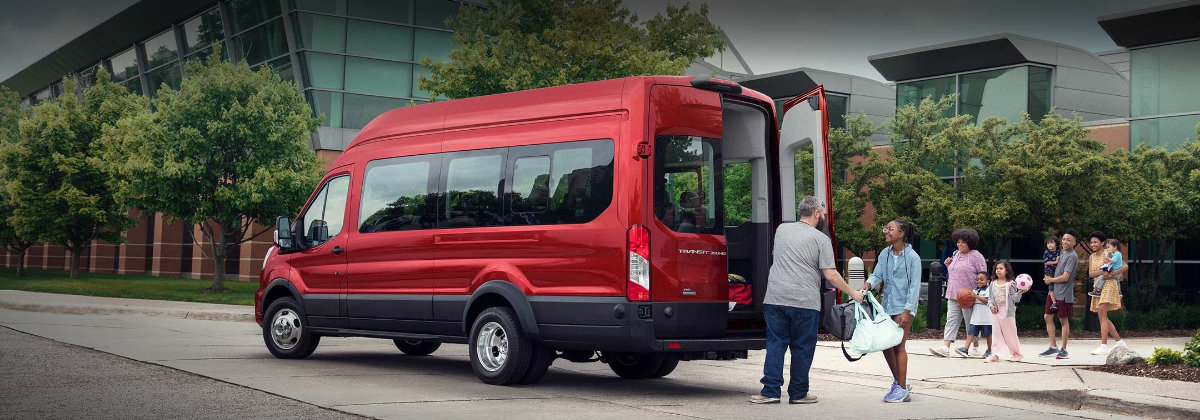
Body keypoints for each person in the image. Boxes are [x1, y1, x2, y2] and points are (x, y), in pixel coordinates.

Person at [750, 196, 864, 405]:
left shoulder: (782, 230)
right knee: (802, 347)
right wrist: (853, 293)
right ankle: (799, 393)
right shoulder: (821, 240)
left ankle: (770, 392)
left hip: (775, 298)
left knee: (775, 344)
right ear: (817, 214)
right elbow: (830, 274)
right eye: (822, 213)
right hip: (804, 301)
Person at [861, 219, 921, 403]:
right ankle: (900, 381)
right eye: (886, 228)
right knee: (886, 345)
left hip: (904, 307)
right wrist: (867, 285)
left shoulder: (913, 258)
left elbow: (914, 287)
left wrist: (907, 310)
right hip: (887, 306)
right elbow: (877, 274)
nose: (886, 231)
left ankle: (902, 389)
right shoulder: (885, 254)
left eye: (890, 229)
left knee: (899, 346)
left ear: (901, 234)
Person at [930, 228, 987, 358]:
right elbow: (955, 273)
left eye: (963, 242)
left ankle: (975, 347)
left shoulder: (976, 256)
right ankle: (946, 347)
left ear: (970, 243)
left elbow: (983, 275)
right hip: (953, 293)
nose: (960, 244)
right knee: (951, 320)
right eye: (958, 242)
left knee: (970, 322)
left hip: (969, 295)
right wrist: (948, 265)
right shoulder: (956, 254)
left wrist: (978, 293)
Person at [1087, 233, 1131, 356]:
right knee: (1102, 316)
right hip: (1099, 285)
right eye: (1091, 242)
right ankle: (1119, 342)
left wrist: (1113, 273)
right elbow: (1091, 274)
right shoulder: (1091, 257)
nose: (1093, 244)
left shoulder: (1109, 253)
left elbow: (1125, 266)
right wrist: (1103, 271)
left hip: (1110, 284)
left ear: (1102, 243)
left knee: (1102, 313)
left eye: (1095, 242)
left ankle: (1104, 345)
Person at [1039, 231, 1078, 359]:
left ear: (1074, 242)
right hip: (1054, 292)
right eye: (1064, 239)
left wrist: (1050, 280)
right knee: (1047, 317)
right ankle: (1053, 347)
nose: (1065, 241)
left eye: (1068, 240)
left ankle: (1064, 350)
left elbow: (1066, 277)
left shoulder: (1072, 256)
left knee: (1063, 320)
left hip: (1064, 294)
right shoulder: (1061, 252)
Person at [986, 260, 1027, 362]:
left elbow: (1015, 299)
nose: (998, 270)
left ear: (1007, 271)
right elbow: (990, 298)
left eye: (1001, 268)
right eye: (997, 269)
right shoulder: (993, 283)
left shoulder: (1010, 284)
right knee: (996, 333)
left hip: (1008, 312)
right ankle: (995, 354)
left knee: (1010, 333)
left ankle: (1016, 353)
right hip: (996, 312)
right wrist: (991, 306)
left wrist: (1020, 292)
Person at [956, 272, 992, 359]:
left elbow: (987, 301)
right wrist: (963, 304)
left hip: (987, 318)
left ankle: (990, 350)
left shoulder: (989, 290)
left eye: (982, 279)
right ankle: (965, 349)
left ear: (988, 281)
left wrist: (976, 297)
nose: (979, 281)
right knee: (971, 333)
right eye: (977, 279)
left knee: (988, 335)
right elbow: (971, 303)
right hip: (976, 317)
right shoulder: (974, 290)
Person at [1043, 236, 1061, 307]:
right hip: (1049, 271)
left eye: (1052, 243)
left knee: (1062, 282)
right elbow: (1046, 262)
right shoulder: (1046, 252)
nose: (1049, 245)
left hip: (1058, 271)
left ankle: (1069, 297)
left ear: (1056, 244)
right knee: (1051, 287)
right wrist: (1055, 262)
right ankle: (1054, 302)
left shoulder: (1059, 252)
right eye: (1048, 243)